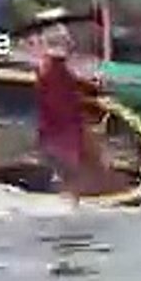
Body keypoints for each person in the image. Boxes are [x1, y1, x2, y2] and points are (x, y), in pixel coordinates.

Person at [36, 24, 105, 199]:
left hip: (57, 141)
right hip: (65, 142)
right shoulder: (60, 74)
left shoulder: (51, 73)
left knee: (64, 181)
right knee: (68, 182)